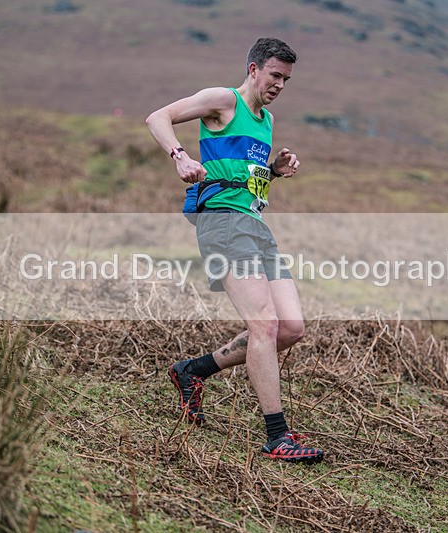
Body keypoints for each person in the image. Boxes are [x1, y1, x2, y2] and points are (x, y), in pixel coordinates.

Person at [146, 37, 324, 464]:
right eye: (274, 75)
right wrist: (180, 157)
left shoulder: (266, 119)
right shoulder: (222, 100)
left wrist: (273, 172)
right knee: (263, 325)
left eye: (286, 78)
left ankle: (194, 370)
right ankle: (277, 436)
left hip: (256, 226)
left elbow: (244, 175)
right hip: (223, 223)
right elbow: (158, 117)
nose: (280, 84)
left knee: (290, 328)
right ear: (253, 69)